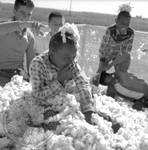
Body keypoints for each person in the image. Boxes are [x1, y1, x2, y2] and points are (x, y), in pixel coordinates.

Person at [29, 23, 94, 124]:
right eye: (66, 58)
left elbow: (82, 83)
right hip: (44, 104)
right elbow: (37, 95)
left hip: (64, 102)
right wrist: (59, 81)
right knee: (45, 118)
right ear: (51, 52)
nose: (71, 62)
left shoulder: (71, 63)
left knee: (86, 105)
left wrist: (88, 109)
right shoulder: (38, 64)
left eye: (73, 57)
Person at [91, 4, 134, 96]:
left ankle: (112, 93)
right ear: (116, 21)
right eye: (122, 23)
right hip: (107, 54)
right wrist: (103, 61)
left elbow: (126, 52)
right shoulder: (110, 30)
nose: (124, 26)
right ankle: (93, 90)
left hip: (120, 56)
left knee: (119, 74)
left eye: (127, 24)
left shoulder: (130, 33)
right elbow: (103, 47)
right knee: (100, 71)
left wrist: (111, 65)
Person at [0, 0, 44, 86]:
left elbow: (30, 62)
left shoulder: (30, 36)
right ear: (14, 11)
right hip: (1, 72)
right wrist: (21, 25)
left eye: (29, 14)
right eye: (22, 13)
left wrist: (33, 80)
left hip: (19, 75)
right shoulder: (5, 26)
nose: (25, 17)